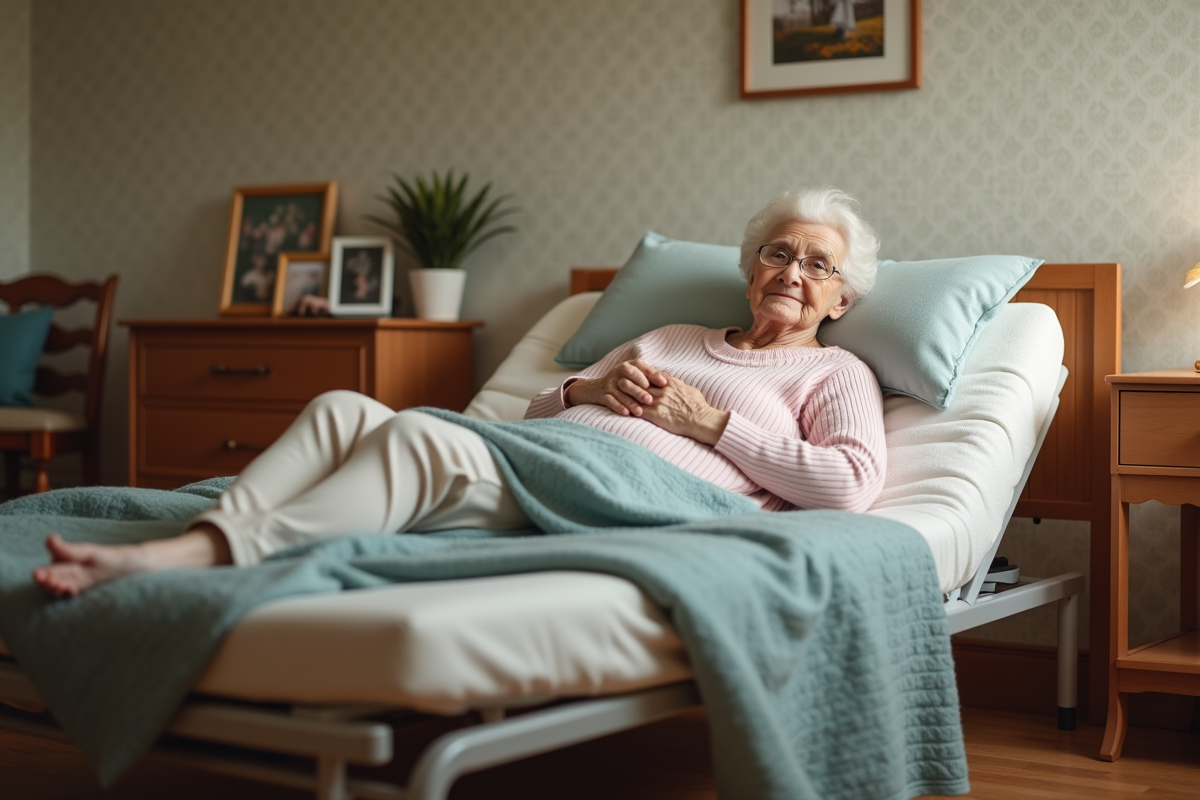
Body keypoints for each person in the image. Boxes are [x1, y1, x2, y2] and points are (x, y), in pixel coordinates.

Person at [32, 186, 886, 598]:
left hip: (627, 503)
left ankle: (189, 562)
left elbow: (848, 485)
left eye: (819, 264)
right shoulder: (668, 339)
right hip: (546, 460)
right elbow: (530, 412)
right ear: (748, 271)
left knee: (417, 438)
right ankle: (223, 528)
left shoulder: (834, 371)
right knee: (342, 410)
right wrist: (588, 387)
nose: (793, 272)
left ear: (842, 298)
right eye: (778, 253)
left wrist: (710, 423)